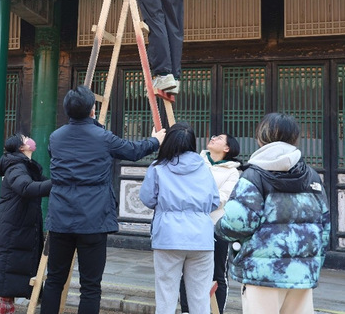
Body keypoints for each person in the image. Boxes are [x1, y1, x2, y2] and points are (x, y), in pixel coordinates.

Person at [41, 85, 166, 314]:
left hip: (60, 217)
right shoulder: (103, 137)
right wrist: (155, 140)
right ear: (92, 110)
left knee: (54, 279)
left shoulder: (55, 137)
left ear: (67, 111)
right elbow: (133, 150)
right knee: (90, 285)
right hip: (93, 217)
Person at [215, 113, 331, 314]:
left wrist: (218, 228)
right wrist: (314, 263)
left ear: (261, 136)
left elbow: (238, 223)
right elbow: (324, 226)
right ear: (294, 137)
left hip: (262, 273)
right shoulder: (311, 176)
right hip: (302, 271)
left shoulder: (253, 175)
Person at [139, 123, 220, 314]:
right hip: (201, 238)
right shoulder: (204, 167)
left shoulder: (158, 167)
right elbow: (214, 201)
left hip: (168, 237)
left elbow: (147, 198)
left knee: (166, 297)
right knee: (200, 299)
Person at [0, 133, 52, 314]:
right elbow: (26, 188)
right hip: (11, 228)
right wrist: (60, 183)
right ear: (21, 147)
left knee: (6, 275)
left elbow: (42, 183)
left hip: (16, 227)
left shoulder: (25, 166)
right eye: (25, 138)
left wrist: (60, 182)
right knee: (3, 277)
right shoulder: (16, 167)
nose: (29, 140)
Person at [179, 133, 242, 314]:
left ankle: (216, 311)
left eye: (219, 138)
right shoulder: (197, 162)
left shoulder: (232, 172)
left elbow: (223, 197)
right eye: (214, 137)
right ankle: (186, 310)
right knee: (187, 271)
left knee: (218, 274)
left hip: (216, 227)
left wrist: (196, 200)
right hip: (192, 224)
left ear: (227, 148)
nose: (213, 138)